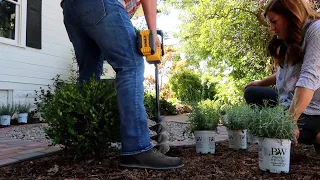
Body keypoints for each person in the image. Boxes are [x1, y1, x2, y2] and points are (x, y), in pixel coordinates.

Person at [60, 0, 183, 169]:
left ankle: (84, 145)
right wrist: (153, 33)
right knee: (130, 65)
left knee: (88, 76)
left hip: (71, 8)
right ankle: (137, 148)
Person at [244, 0, 320, 152]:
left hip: (314, 107)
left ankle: (317, 135)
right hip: (288, 99)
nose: (271, 28)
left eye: (274, 21)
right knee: (252, 92)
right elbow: (285, 73)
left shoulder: (316, 31)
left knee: (278, 125)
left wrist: (290, 121)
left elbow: (309, 77)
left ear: (291, 15)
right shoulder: (292, 36)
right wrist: (259, 83)